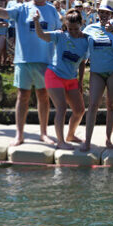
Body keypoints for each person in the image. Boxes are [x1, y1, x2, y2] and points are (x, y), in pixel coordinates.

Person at [0, 0, 66, 145]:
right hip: (23, 60)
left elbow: (59, 32)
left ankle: (43, 133)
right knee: (23, 96)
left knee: (43, 97)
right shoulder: (21, 8)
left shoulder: (52, 11)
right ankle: (19, 135)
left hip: (46, 61)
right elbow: (5, 14)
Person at [33, 8, 88, 149]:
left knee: (80, 110)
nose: (73, 32)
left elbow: (82, 62)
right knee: (61, 108)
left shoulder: (85, 40)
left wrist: (80, 81)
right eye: (70, 28)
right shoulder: (61, 36)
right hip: (54, 75)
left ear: (81, 24)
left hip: (71, 79)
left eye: (76, 29)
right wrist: (36, 21)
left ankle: (71, 135)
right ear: (66, 26)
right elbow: (41, 35)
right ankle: (61, 141)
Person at [80, 0, 113, 152]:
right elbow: (77, 42)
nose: (104, 15)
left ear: (111, 15)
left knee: (112, 105)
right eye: (102, 12)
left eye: (107, 13)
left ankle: (109, 138)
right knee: (93, 105)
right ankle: (87, 141)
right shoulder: (89, 28)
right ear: (97, 13)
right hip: (96, 71)